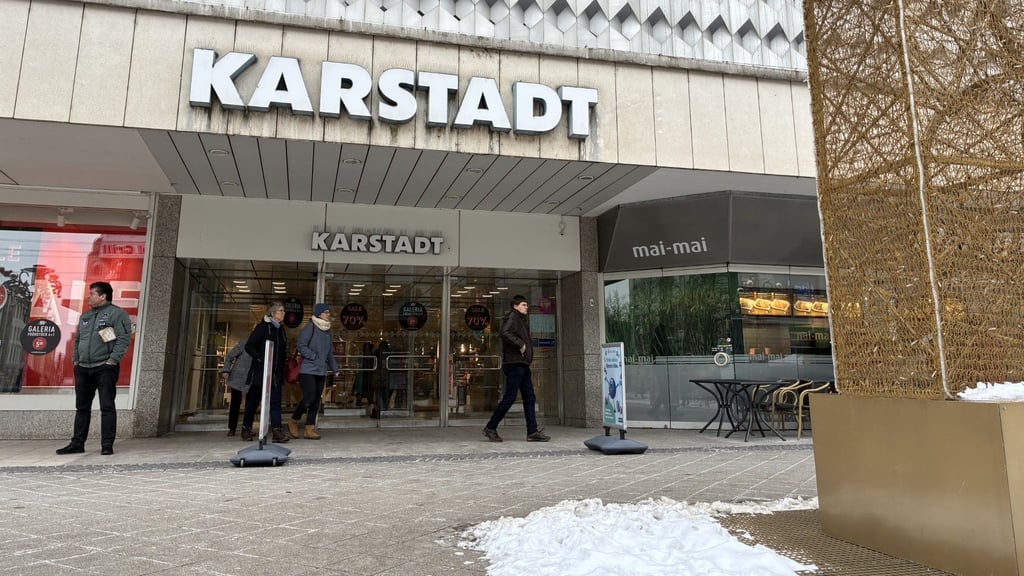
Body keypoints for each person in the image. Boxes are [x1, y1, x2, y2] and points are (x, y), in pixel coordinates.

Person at [56, 281, 132, 456]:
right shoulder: (86, 316)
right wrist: (76, 360)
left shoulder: (117, 314)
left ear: (103, 296)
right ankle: (77, 443)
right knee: (82, 407)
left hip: (105, 367)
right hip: (83, 367)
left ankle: (106, 444)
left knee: (107, 406)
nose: (88, 297)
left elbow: (123, 339)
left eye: (92, 294)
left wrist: (112, 360)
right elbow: (77, 340)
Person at [483, 295, 550, 443]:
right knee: (510, 397)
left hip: (521, 363)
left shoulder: (519, 319)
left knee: (530, 397)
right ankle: (491, 427)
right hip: (515, 364)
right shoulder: (512, 317)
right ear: (515, 306)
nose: (526, 307)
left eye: (526, 305)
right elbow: (505, 333)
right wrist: (521, 345)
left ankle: (532, 432)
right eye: (524, 304)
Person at [239, 302, 289, 443]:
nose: (283, 313)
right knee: (253, 402)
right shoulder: (262, 328)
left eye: (283, 311)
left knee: (275, 402)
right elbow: (249, 345)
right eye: (280, 311)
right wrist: (259, 358)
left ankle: (277, 431)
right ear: (272, 314)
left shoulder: (281, 330)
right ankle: (246, 428)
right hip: (260, 372)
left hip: (275, 373)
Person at [288, 303, 339, 439]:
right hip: (308, 369)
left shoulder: (328, 331)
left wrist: (335, 369)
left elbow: (329, 354)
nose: (328, 314)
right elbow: (301, 346)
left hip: (321, 371)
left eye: (328, 312)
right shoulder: (310, 328)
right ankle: (294, 420)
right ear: (319, 313)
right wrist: (314, 356)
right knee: (309, 398)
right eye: (326, 312)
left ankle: (309, 428)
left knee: (316, 400)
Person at [219, 340, 252, 437]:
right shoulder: (244, 344)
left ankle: (247, 428)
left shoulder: (262, 345)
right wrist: (226, 370)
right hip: (238, 377)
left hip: (252, 378)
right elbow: (230, 356)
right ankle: (232, 428)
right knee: (235, 403)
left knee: (250, 405)